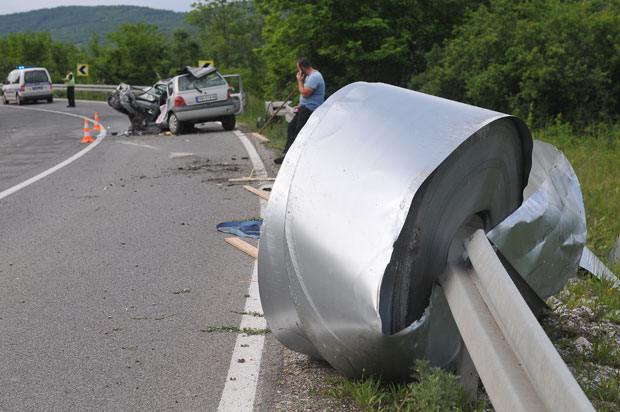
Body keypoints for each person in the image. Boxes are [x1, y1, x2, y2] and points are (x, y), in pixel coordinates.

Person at [274, 57, 325, 164]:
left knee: (299, 132)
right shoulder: (309, 77)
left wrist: (299, 81)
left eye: (298, 68)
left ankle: (295, 157)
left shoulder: (314, 77)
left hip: (310, 109)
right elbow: (307, 96)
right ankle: (286, 154)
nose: (298, 71)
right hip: (304, 107)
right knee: (291, 128)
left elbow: (305, 93)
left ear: (301, 68)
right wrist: (300, 104)